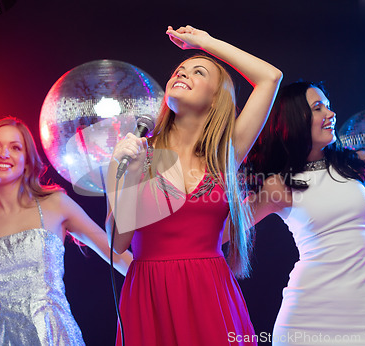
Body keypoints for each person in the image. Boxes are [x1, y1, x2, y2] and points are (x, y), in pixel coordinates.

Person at [247, 36, 365, 345]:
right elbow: (222, 229)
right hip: (305, 318)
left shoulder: (354, 165)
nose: (331, 114)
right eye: (318, 107)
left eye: (329, 106)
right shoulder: (278, 185)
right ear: (297, 119)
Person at [106, 25, 282, 345]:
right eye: (179, 69)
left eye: (197, 71)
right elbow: (117, 244)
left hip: (209, 291)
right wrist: (123, 176)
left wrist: (204, 44)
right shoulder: (137, 153)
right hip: (149, 295)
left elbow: (270, 77)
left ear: (216, 101)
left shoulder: (224, 154)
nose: (182, 72)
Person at [0, 117, 133, 345]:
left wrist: (162, 282)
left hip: (55, 337)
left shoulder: (55, 204)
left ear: (27, 162)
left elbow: (116, 255)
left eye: (15, 147)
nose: (3, 153)